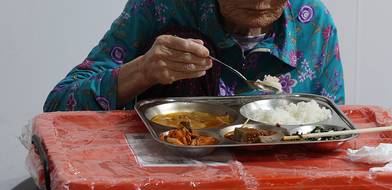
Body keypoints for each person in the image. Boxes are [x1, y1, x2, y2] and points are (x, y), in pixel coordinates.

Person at [43, 0, 345, 112]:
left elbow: (335, 134)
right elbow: (58, 105)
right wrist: (143, 71)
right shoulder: (161, 7)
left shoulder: (313, 23)